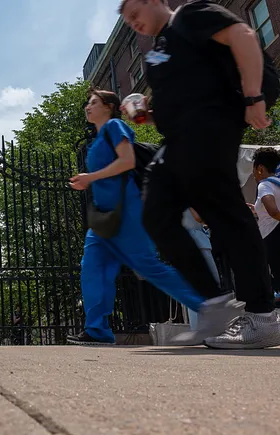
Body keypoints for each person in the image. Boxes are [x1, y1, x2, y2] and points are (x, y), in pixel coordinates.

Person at [120, 0, 280, 348]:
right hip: (178, 139)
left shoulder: (190, 16)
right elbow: (173, 104)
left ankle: (262, 316)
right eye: (127, 20)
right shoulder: (158, 51)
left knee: (227, 214)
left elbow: (243, 35)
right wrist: (144, 114)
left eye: (135, 14)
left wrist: (253, 96)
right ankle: (214, 304)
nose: (133, 23)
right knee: (156, 215)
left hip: (212, 125)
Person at [67, 89, 204, 345]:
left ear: (109, 107)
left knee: (148, 266)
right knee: (93, 268)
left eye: (94, 102)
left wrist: (90, 178)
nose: (88, 106)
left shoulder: (115, 126)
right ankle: (97, 330)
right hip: (104, 218)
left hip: (127, 211)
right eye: (88, 103)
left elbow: (128, 161)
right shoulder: (97, 140)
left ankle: (207, 307)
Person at [181, 208, 221, 330]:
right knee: (209, 284)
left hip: (189, 240)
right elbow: (199, 216)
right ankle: (206, 328)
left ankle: (199, 328)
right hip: (196, 241)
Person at [249, 148, 280, 294]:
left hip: (272, 237)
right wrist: (256, 210)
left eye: (254, 170)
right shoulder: (278, 183)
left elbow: (272, 210)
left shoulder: (264, 185)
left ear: (260, 168)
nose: (254, 174)